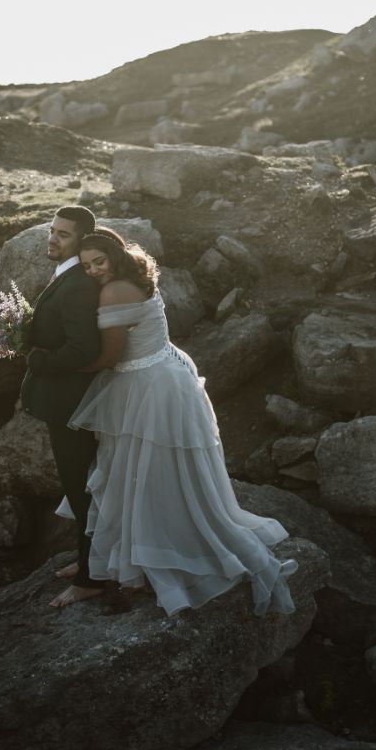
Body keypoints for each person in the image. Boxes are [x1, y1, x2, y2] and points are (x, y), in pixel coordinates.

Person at [57, 227, 298, 616]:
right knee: (131, 470)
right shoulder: (134, 276)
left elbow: (109, 356)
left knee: (143, 473)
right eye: (85, 265)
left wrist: (59, 366)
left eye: (98, 262)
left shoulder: (114, 290)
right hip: (162, 375)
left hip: (147, 387)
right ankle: (109, 557)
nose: (92, 271)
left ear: (115, 257)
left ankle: (132, 558)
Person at [20, 206, 105, 605]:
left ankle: (91, 578)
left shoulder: (78, 286)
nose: (52, 238)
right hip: (68, 403)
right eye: (52, 230)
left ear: (81, 240)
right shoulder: (67, 276)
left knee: (79, 486)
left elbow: (83, 348)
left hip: (73, 405)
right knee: (78, 487)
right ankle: (89, 558)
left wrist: (38, 360)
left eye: (63, 234)